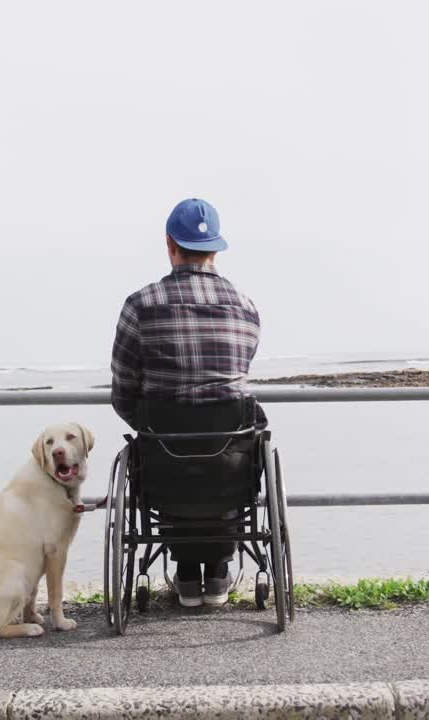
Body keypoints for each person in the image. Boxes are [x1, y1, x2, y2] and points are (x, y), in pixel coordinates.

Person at [110, 198, 266, 607]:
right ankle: (217, 572)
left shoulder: (140, 305)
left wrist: (152, 424)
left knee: (169, 452)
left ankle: (185, 571)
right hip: (229, 467)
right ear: (216, 248)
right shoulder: (245, 306)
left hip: (165, 467)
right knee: (232, 446)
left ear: (169, 244)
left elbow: (123, 390)